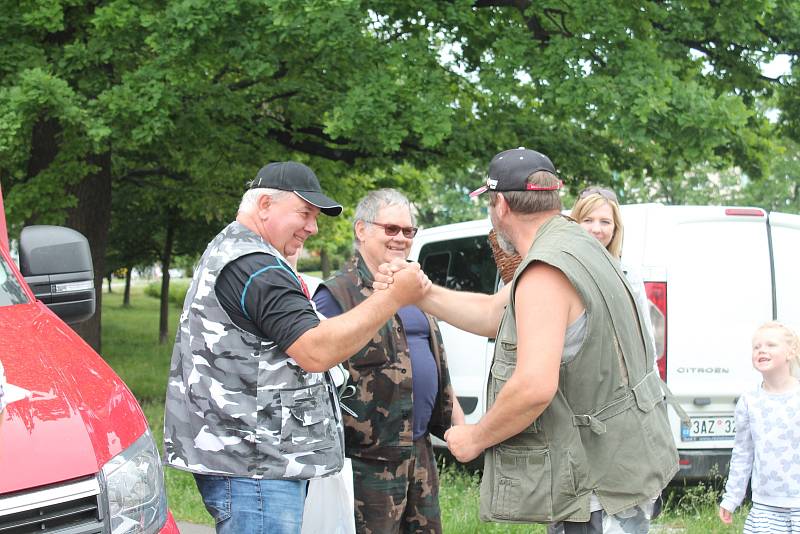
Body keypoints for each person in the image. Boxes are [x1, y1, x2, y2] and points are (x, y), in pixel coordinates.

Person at [386, 147, 677, 533]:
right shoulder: (577, 245)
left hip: (598, 490)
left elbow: (534, 387)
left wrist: (475, 437)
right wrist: (420, 295)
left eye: (490, 205)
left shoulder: (545, 272)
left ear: (501, 205)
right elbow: (496, 316)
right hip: (623, 472)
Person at [163, 161, 430, 534]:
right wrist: (392, 299)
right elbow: (315, 351)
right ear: (265, 205)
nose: (312, 227)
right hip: (257, 471)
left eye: (315, 217)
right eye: (304, 213)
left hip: (254, 465)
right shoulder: (256, 267)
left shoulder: (240, 251)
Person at [312, 189, 464, 534]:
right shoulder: (337, 294)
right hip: (367, 461)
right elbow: (316, 370)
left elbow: (435, 364)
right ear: (361, 230)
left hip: (421, 453)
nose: (400, 238)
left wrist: (457, 419)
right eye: (391, 229)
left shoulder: (417, 289)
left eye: (408, 231)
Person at [719, 321, 800, 532]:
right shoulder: (749, 401)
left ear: (791, 352)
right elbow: (743, 453)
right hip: (766, 507)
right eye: (756, 347)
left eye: (771, 345)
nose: (762, 350)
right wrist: (732, 497)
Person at [570, 187, 658, 362]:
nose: (596, 229)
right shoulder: (558, 271)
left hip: (615, 382)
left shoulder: (627, 275)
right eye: (588, 220)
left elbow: (645, 338)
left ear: (615, 228)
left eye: (605, 222)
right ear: (574, 223)